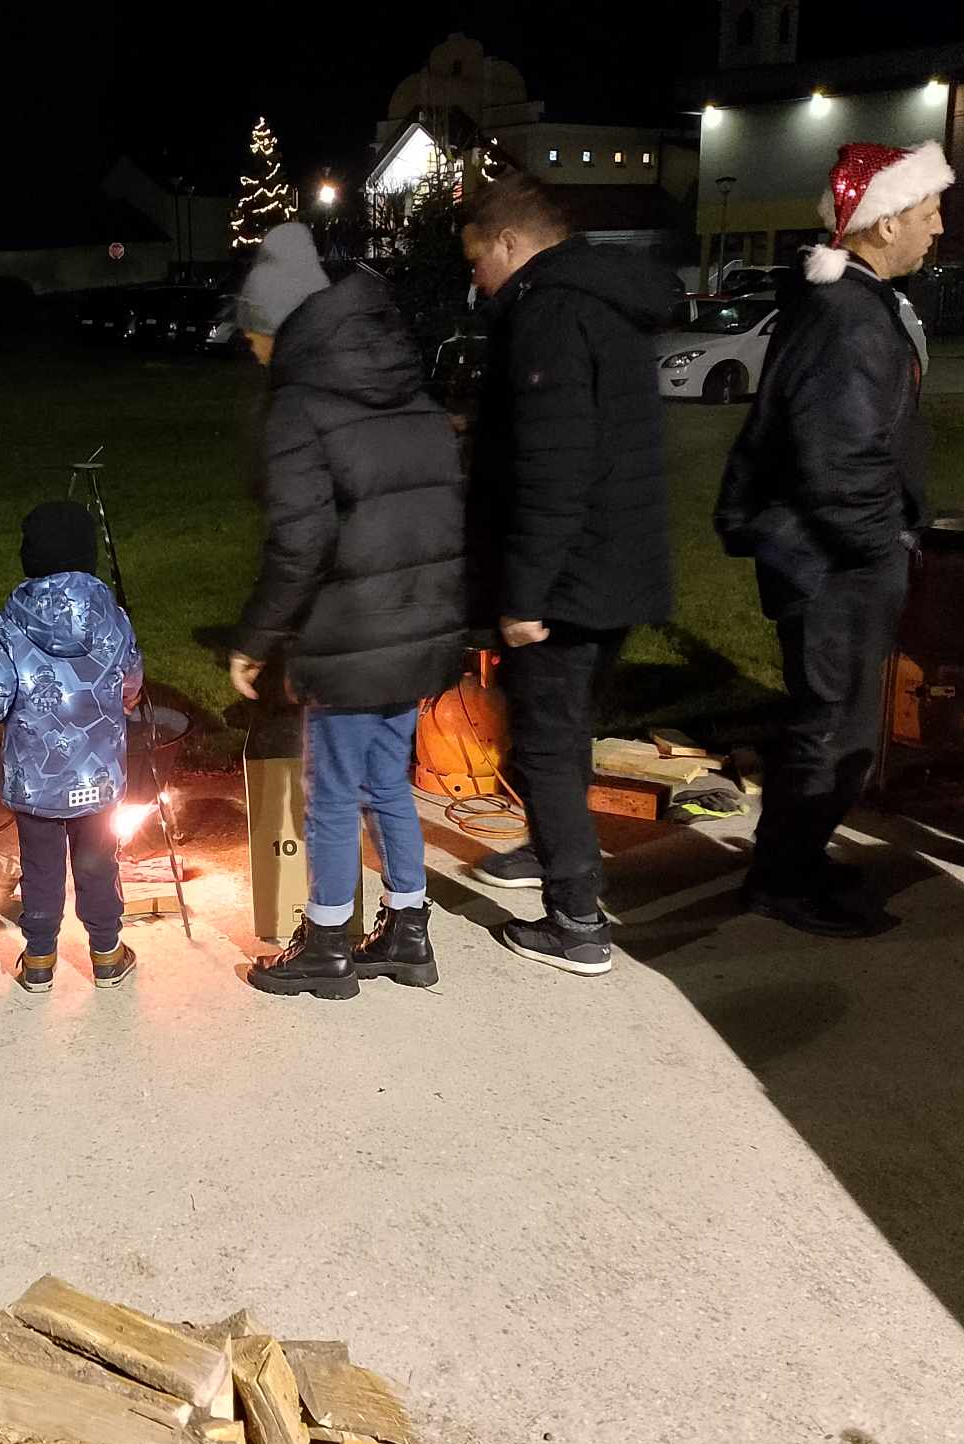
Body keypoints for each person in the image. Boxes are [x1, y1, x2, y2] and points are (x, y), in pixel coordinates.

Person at [715, 141, 952, 937]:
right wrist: (882, 545)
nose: (938, 228)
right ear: (882, 225)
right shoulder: (848, 317)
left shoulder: (852, 303)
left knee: (835, 723)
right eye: (927, 214)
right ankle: (781, 881)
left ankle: (798, 862)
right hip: (832, 562)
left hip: (829, 555)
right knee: (831, 727)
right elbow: (838, 459)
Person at [228, 222, 467, 1001]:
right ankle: (408, 932)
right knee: (387, 783)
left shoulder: (302, 407)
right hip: (421, 622)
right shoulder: (413, 392)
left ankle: (327, 944)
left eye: (257, 336)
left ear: (283, 326)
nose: (254, 353)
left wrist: (257, 638)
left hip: (356, 633)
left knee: (329, 794)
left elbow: (300, 542)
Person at [461, 173, 672, 977]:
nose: (476, 277)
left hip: (569, 574)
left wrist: (524, 593)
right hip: (612, 563)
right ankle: (553, 847)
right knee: (566, 728)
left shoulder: (547, 313)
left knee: (545, 741)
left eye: (479, 259)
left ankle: (576, 920)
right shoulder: (601, 300)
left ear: (512, 245)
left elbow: (555, 463)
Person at [0, 501, 145, 994]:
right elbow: (131, 678)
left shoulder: (7, 623)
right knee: (98, 860)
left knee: (40, 862)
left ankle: (41, 957)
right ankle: (107, 953)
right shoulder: (112, 617)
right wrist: (119, 702)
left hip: (35, 775)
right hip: (98, 774)